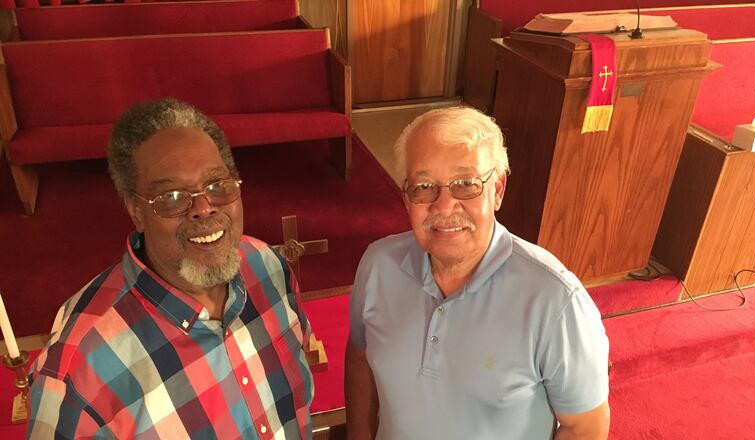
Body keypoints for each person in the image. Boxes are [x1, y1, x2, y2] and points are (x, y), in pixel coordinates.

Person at [27, 98, 313, 439]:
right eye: (172, 196)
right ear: (136, 211)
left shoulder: (268, 267)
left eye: (217, 186)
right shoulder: (78, 371)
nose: (203, 209)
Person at [345, 107, 610, 439]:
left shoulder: (556, 301)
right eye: (424, 186)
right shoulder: (377, 266)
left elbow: (584, 427)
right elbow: (359, 357)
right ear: (406, 199)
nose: (444, 206)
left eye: (465, 184)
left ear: (497, 189)